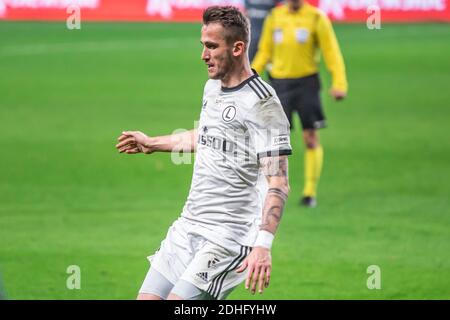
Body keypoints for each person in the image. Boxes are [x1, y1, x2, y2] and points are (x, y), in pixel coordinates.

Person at [115, 6, 292, 300]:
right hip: (188, 226)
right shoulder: (212, 88)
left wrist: (263, 244)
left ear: (238, 48)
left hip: (230, 238)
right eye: (203, 46)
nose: (203, 55)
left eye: (212, 47)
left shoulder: (264, 105)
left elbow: (278, 182)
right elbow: (207, 136)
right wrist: (153, 143)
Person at [252, 0, 348, 208]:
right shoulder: (274, 17)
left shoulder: (316, 17)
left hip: (307, 84)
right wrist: (248, 79)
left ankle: (309, 192)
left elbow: (331, 51)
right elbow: (264, 52)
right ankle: (272, 189)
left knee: (310, 137)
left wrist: (339, 82)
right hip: (278, 85)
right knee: (273, 142)